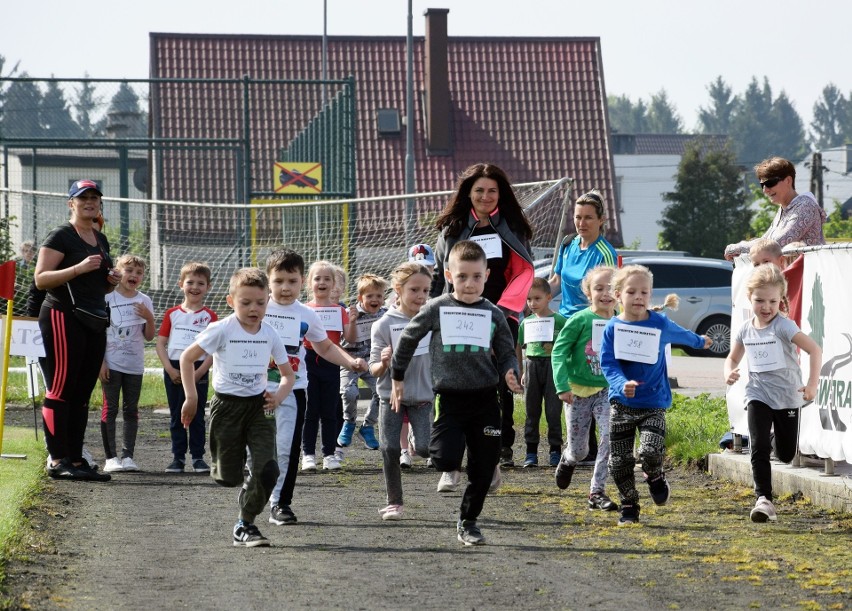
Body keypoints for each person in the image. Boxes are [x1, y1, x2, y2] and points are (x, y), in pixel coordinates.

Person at [392, 240, 522, 545]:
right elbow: (409, 339)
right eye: (462, 276)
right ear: (449, 275)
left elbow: (505, 351)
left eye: (476, 276)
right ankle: (460, 453)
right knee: (445, 459)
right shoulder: (438, 307)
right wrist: (397, 376)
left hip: (486, 398)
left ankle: (468, 521)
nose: (469, 283)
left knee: (482, 468)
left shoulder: (493, 313)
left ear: (487, 275)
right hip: (449, 398)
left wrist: (511, 371)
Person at [179, 267, 296, 547]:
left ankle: (245, 524)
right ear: (231, 301)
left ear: (268, 300)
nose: (253, 309)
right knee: (228, 477)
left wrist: (279, 395)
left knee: (268, 469)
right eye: (245, 303)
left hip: (259, 408)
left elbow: (288, 374)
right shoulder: (221, 329)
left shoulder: (270, 333)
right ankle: (243, 475)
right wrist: (192, 398)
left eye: (260, 302)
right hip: (226, 408)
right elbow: (186, 358)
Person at [431, 163, 534, 469]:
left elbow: (522, 273)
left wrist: (504, 311)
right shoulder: (452, 228)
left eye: (492, 190)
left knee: (501, 379)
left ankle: (502, 444)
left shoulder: (514, 228)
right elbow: (440, 275)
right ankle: (455, 440)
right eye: (479, 190)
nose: (486, 196)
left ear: (500, 194)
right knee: (458, 379)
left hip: (502, 314)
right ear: (469, 193)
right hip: (459, 315)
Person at [600, 265, 711, 526]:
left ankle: (656, 475)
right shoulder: (612, 328)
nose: (638, 297)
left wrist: (699, 341)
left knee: (650, 451)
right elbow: (608, 363)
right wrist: (621, 383)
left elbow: (681, 334)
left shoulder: (658, 322)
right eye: (632, 292)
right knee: (619, 461)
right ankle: (629, 505)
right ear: (618, 295)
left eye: (644, 292)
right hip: (622, 403)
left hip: (653, 402)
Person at [262, 248, 366, 526]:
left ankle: (280, 504)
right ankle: (254, 486)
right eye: (279, 281)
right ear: (268, 281)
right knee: (259, 447)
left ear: (301, 281)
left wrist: (350, 361)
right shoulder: (256, 307)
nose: (285, 288)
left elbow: (325, 346)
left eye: (292, 281)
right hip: (255, 390)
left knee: (288, 448)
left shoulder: (307, 314)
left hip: (294, 390)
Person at [34, 180, 119, 482]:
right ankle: (57, 460)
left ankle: (76, 458)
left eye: (94, 197)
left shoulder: (100, 238)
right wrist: (79, 268)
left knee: (82, 392)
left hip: (94, 319)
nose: (90, 202)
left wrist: (111, 280)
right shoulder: (61, 236)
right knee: (60, 388)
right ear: (71, 203)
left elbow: (99, 285)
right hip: (61, 316)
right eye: (83, 198)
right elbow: (41, 279)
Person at [724, 264, 821, 523]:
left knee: (785, 454)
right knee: (758, 447)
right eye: (759, 301)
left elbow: (814, 350)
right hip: (757, 394)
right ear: (749, 298)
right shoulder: (746, 329)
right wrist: (729, 372)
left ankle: (772, 435)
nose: (766, 307)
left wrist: (812, 384)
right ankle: (764, 500)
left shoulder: (784, 326)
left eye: (772, 301)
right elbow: (731, 359)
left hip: (788, 397)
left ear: (781, 300)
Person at [548, 190, 618, 465]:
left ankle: (586, 449)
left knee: (589, 377)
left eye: (588, 217)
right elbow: (555, 279)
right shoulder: (567, 244)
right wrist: (534, 298)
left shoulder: (605, 252)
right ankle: (568, 446)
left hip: (591, 321)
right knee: (563, 378)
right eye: (578, 217)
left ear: (601, 220)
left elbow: (612, 290)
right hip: (566, 319)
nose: (582, 223)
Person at [550, 266, 618, 511]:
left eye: (611, 288)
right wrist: (562, 385)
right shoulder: (580, 319)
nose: (606, 293)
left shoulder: (622, 321)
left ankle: (596, 492)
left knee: (610, 438)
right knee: (579, 450)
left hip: (608, 391)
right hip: (577, 391)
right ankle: (568, 460)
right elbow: (559, 351)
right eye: (599, 288)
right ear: (589, 293)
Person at [370, 262, 434, 520]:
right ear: (398, 289)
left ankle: (413, 442)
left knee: (426, 449)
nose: (421, 296)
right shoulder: (383, 325)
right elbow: (373, 369)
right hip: (390, 398)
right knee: (389, 449)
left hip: (422, 397)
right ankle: (394, 502)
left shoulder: (431, 319)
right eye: (414, 290)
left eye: (426, 290)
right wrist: (384, 362)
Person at [156, 261, 217, 473]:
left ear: (208, 287)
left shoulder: (210, 316)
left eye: (201, 283)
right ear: (181, 284)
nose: (195, 287)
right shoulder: (172, 313)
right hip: (173, 368)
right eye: (190, 282)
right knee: (176, 414)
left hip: (198, 367)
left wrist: (200, 371)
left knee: (198, 415)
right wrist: (170, 369)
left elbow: (213, 351)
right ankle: (178, 458)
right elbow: (161, 343)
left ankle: (199, 458)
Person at [100, 255, 155, 473]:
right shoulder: (107, 298)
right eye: (129, 270)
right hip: (111, 363)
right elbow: (98, 333)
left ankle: (128, 456)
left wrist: (150, 318)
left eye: (139, 272)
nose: (133, 275)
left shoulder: (144, 300)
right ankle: (110, 457)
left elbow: (150, 336)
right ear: (118, 271)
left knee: (131, 410)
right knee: (110, 408)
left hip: (134, 365)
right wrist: (101, 362)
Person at [301, 261, 356, 471]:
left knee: (330, 410)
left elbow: (348, 339)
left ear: (333, 284)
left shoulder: (338, 310)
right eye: (317, 278)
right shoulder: (303, 309)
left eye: (327, 279)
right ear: (309, 283)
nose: (322, 282)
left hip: (332, 362)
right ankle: (307, 454)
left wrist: (351, 321)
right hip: (308, 361)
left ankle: (329, 454)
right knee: (310, 410)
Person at [724, 156, 827, 261]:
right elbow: (765, 240)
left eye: (769, 183)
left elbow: (776, 243)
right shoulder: (785, 208)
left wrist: (738, 248)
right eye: (762, 185)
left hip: (807, 275)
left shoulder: (805, 206)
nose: (765, 190)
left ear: (788, 180)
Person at [516, 277, 566, 468]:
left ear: (548, 297)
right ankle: (531, 452)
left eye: (537, 298)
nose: (532, 303)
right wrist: (521, 369)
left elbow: (568, 345)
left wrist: (560, 361)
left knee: (553, 411)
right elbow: (519, 345)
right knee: (531, 410)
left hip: (553, 366)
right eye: (529, 299)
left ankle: (555, 450)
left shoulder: (560, 321)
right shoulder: (526, 323)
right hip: (532, 366)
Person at [338, 274, 388, 451]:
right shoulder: (350, 314)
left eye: (379, 296)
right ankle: (349, 422)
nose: (375, 300)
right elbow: (348, 341)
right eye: (369, 296)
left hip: (372, 362)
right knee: (350, 392)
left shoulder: (385, 314)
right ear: (360, 298)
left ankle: (367, 427)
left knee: (382, 392)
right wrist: (352, 321)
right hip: (350, 360)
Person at [398, 243, 436, 468]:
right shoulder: (394, 306)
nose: (423, 272)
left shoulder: (437, 302)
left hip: (428, 365)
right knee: (401, 409)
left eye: (428, 268)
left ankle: (427, 445)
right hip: (404, 365)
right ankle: (403, 450)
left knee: (429, 407)